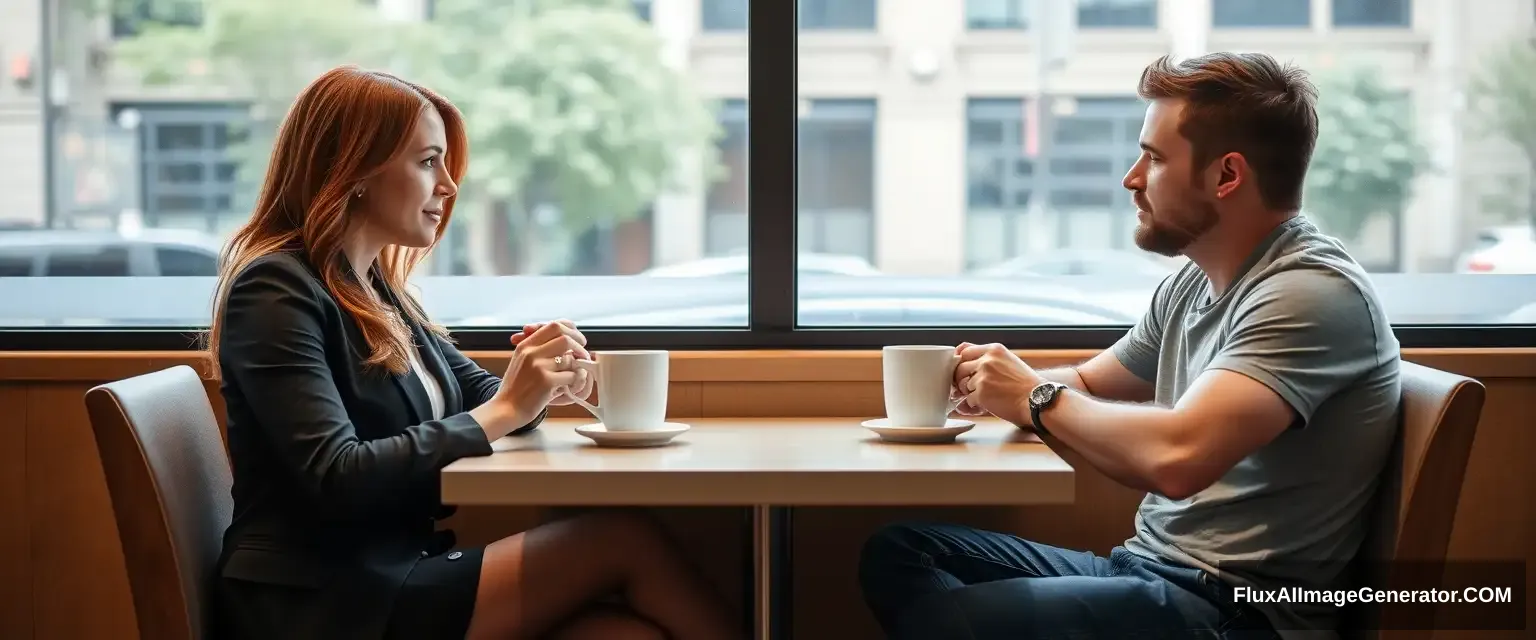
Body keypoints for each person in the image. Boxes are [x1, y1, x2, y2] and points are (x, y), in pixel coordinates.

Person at [858, 52, 1402, 639]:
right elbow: (1091, 384)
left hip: (1239, 611)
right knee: (901, 554)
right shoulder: (1196, 281)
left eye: (1155, 157)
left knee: (950, 621)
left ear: (1227, 176)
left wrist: (1035, 396)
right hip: (1151, 568)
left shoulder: (1309, 295)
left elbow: (1178, 459)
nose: (1132, 177)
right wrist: (995, 386)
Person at [205, 65, 740, 640]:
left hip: (384, 573)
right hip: (320, 600)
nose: (448, 186)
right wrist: (508, 408)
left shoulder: (373, 290)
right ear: (355, 169)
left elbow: (481, 396)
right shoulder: (276, 289)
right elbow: (337, 474)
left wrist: (539, 376)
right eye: (427, 161)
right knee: (623, 538)